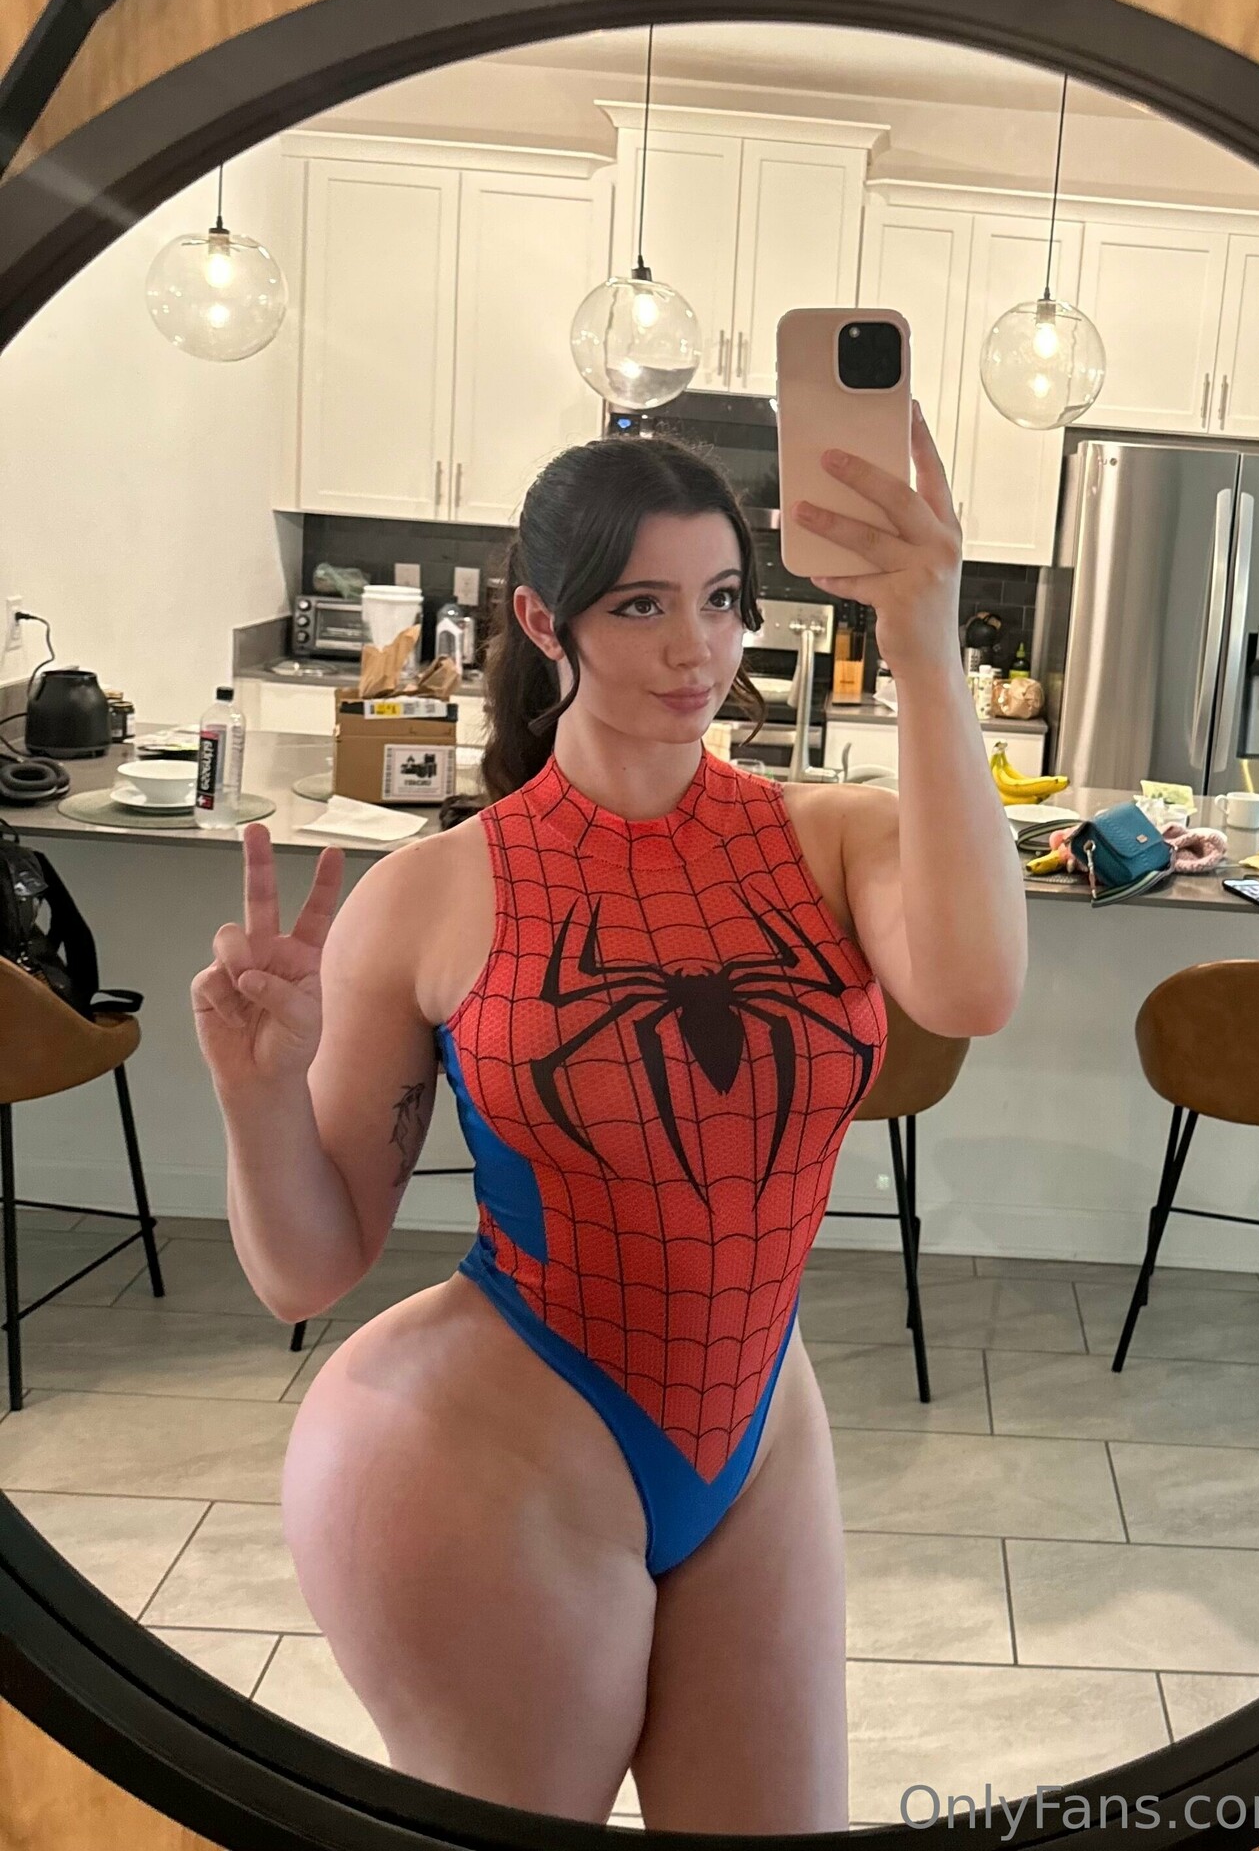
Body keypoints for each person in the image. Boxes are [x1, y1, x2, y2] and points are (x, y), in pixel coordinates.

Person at [191, 408, 1027, 1832]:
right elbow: (306, 1272)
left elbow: (975, 986)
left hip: (756, 1432)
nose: (696, 648)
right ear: (544, 618)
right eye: (641, 605)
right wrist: (257, 1092)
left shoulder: (834, 836)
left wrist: (923, 641)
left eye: (721, 599)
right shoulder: (432, 894)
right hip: (493, 1444)